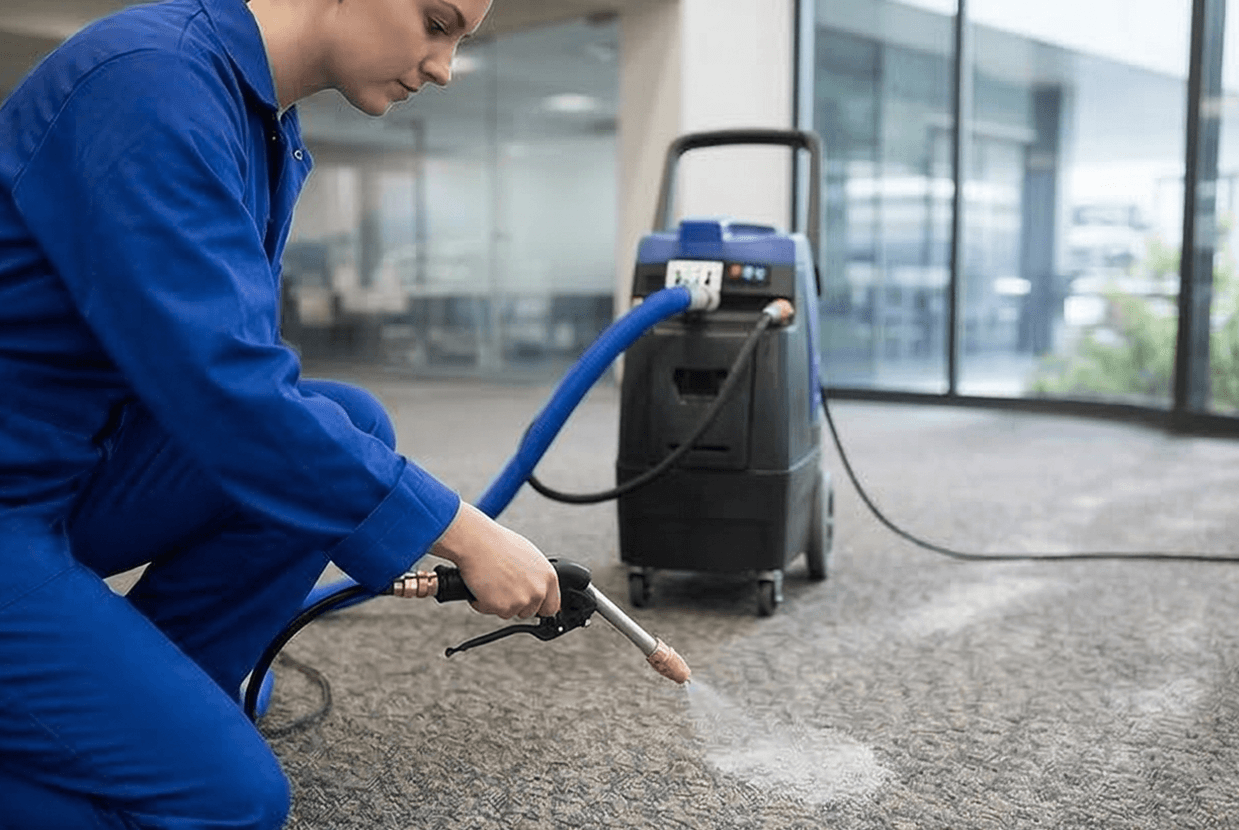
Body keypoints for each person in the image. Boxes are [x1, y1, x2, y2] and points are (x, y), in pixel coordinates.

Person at [0, 0, 560, 826]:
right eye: (436, 23)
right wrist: (465, 533)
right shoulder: (149, 82)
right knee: (225, 802)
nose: (443, 66)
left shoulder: (258, 121)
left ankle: (157, 698)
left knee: (348, 418)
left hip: (56, 470)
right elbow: (225, 389)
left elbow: (231, 374)